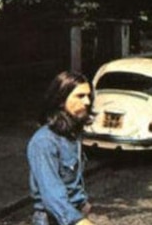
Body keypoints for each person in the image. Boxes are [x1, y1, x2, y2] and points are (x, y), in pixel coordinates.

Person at [27, 71, 96, 225]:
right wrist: (79, 221)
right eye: (80, 96)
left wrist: (82, 207)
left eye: (88, 96)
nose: (87, 102)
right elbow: (52, 195)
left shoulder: (72, 134)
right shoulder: (44, 141)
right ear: (60, 100)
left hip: (73, 214)